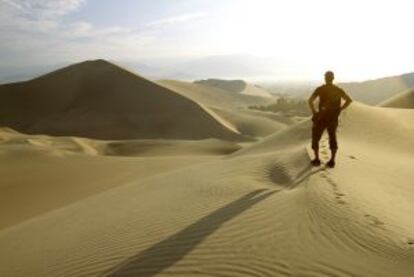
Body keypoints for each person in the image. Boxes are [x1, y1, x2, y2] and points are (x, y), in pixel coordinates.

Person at [308, 71, 352, 168]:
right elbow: (349, 100)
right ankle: (332, 161)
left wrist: (314, 112)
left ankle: (316, 159)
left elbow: (310, 100)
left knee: (315, 138)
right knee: (332, 138)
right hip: (333, 118)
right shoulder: (338, 90)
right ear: (333, 78)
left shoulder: (320, 89)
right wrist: (340, 109)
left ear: (325, 78)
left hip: (321, 118)